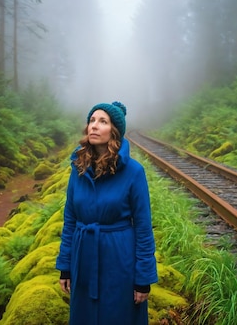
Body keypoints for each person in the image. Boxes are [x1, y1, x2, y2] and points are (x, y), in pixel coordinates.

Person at [56, 101, 158, 324]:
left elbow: (143, 227)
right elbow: (70, 219)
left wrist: (143, 278)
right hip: (83, 258)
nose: (94, 125)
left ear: (114, 131)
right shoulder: (79, 167)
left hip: (119, 259)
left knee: (118, 315)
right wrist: (65, 266)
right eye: (92, 120)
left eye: (103, 121)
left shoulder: (134, 172)